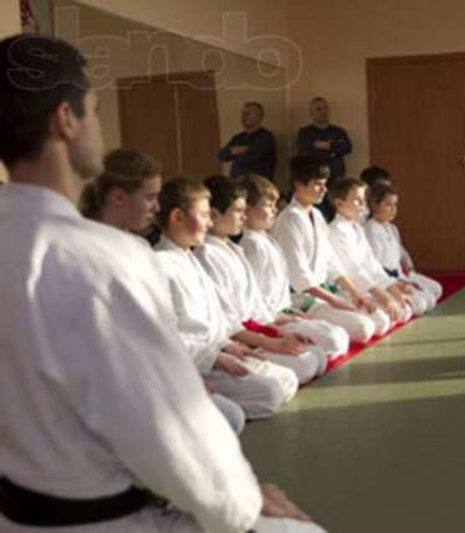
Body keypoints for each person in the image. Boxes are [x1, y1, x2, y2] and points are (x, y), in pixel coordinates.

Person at [0, 33, 323, 532]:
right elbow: (170, 426)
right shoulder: (105, 257)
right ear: (66, 119)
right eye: (95, 111)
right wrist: (243, 500)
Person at [80, 149, 246, 434]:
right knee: (224, 420)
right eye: (149, 197)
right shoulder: (87, 250)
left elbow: (160, 328)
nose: (157, 207)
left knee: (231, 417)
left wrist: (183, 376)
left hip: (155, 369)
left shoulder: (139, 247)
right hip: (113, 381)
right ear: (118, 198)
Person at [153, 178, 301, 415]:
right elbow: (166, 337)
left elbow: (217, 321)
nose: (209, 222)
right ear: (177, 217)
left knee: (287, 378)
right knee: (267, 393)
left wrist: (229, 346)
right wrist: (215, 358)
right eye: (204, 215)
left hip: (218, 350)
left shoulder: (188, 258)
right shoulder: (161, 264)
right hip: (194, 363)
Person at [195, 175, 329, 383]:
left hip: (256, 327)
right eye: (239, 211)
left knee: (317, 356)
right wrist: (271, 340)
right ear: (214, 214)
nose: (244, 216)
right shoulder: (208, 254)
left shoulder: (233, 249)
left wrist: (278, 329)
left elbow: (257, 305)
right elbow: (229, 322)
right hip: (237, 339)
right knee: (304, 365)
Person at [272, 156, 391, 343]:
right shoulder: (289, 219)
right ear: (298, 185)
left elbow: (331, 263)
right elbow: (298, 274)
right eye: (318, 184)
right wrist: (334, 301)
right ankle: (315, 328)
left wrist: (356, 294)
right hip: (302, 298)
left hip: (326, 292)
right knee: (363, 328)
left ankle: (329, 324)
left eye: (325, 184)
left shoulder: (317, 215)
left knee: (381, 321)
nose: (324, 189)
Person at [238, 173, 350, 359]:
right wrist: (276, 321)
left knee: (338, 336)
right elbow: (255, 299)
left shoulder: (266, 239)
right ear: (247, 209)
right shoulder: (252, 244)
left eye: (275, 205)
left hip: (283, 311)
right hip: (268, 319)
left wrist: (291, 314)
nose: (275, 210)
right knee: (331, 342)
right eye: (268, 205)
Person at [327, 178, 413, 324]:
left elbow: (372, 264)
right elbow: (353, 270)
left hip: (366, 287)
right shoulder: (336, 230)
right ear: (339, 203)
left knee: (404, 310)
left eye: (364, 200)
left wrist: (395, 293)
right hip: (348, 290)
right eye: (357, 200)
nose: (363, 205)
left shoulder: (357, 228)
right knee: (382, 321)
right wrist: (383, 297)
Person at [364, 182, 441, 314]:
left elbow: (400, 251)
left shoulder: (392, 228)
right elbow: (375, 266)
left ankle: (408, 296)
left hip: (400, 275)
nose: (393, 209)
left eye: (395, 205)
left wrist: (409, 268)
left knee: (436, 289)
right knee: (422, 304)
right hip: (385, 280)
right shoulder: (371, 229)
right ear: (374, 205)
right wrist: (398, 285)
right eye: (388, 205)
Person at [296, 97, 352, 220]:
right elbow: (306, 151)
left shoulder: (338, 131)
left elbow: (347, 147)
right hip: (315, 182)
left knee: (337, 214)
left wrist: (323, 145)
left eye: (325, 108)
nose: (323, 111)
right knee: (319, 215)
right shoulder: (305, 132)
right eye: (318, 109)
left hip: (336, 180)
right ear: (311, 113)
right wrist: (333, 150)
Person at [218, 102, 277, 179]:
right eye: (243, 114)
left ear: (259, 117)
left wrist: (234, 151)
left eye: (248, 114)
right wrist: (235, 151)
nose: (243, 117)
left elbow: (250, 158)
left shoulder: (265, 137)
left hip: (257, 183)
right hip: (237, 182)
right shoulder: (239, 137)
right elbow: (222, 155)